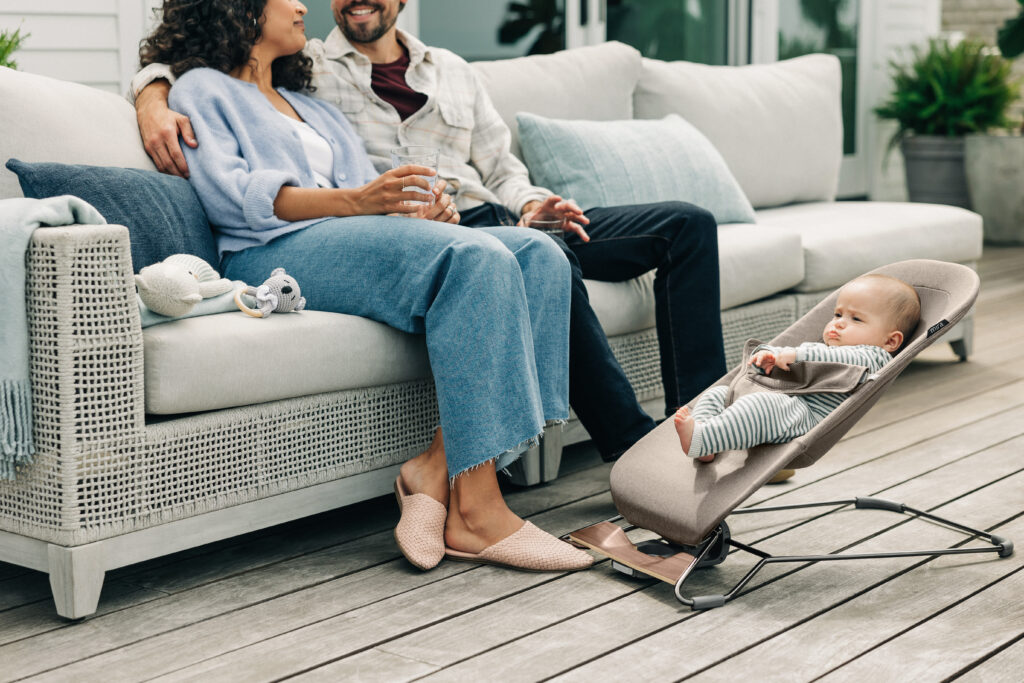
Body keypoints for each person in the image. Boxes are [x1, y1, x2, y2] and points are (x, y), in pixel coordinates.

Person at [132, 0, 727, 464]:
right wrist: (151, 95)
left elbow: (500, 166)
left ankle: (703, 426)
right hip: (370, 229)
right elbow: (194, 64)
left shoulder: (443, 73)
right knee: (535, 257)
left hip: (484, 212)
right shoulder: (314, 67)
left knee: (682, 226)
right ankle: (630, 446)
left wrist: (532, 204)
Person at [142, 0, 593, 573]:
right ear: (241, 11)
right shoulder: (203, 90)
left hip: (349, 239)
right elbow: (233, 196)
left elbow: (366, 198)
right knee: (476, 257)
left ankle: (433, 467)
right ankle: (477, 514)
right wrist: (360, 203)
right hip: (270, 250)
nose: (303, 5)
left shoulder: (312, 108)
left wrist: (415, 217)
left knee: (540, 254)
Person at [674, 274, 921, 462]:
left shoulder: (874, 357)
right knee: (720, 394)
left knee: (758, 406)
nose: (839, 324)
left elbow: (835, 360)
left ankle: (702, 439)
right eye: (837, 315)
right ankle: (706, 440)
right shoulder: (825, 348)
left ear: (891, 341)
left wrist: (795, 354)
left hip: (805, 417)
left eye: (855, 319)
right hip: (782, 399)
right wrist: (770, 362)